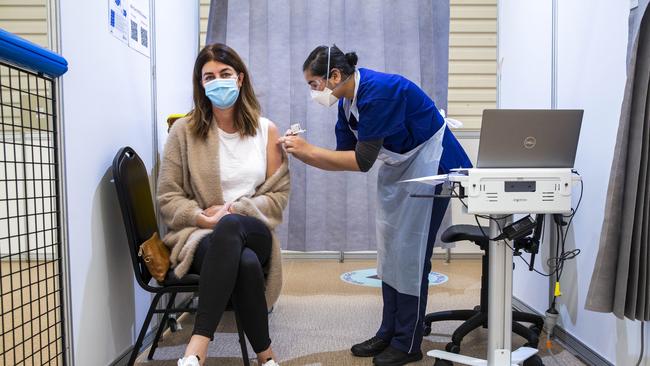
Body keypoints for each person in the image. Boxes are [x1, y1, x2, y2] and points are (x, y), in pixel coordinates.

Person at [279, 45, 472, 366]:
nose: (313, 93)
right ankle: (388, 331)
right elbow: (344, 157)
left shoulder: (378, 93)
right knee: (392, 253)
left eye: (314, 85)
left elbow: (362, 161)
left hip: (430, 164)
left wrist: (306, 151)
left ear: (335, 76)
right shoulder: (346, 103)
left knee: (410, 257)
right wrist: (304, 152)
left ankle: (408, 342)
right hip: (401, 168)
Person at [157, 43, 290, 366]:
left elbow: (277, 197)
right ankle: (266, 357)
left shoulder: (266, 130)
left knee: (233, 225)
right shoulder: (183, 132)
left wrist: (232, 211)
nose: (218, 81)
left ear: (240, 79)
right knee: (243, 263)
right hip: (200, 235)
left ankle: (197, 346)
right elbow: (168, 196)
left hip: (253, 229)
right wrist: (201, 218)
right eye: (209, 76)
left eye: (225, 74)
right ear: (201, 85)